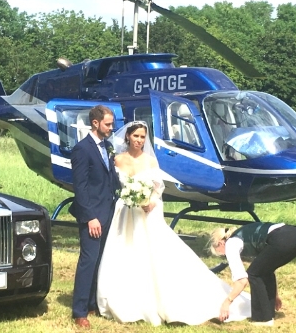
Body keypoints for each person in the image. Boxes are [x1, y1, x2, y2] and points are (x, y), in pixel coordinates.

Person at [96, 121, 251, 326]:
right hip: (125, 213)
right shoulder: (117, 160)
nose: (140, 141)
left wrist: (149, 201)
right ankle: (126, 299)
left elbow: (158, 187)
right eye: (136, 136)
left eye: (143, 137)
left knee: (152, 254)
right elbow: (113, 185)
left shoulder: (150, 161)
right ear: (128, 137)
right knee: (124, 252)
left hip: (146, 213)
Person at [69, 105, 120, 328]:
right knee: (88, 260)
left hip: (108, 212)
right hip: (92, 215)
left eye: (112, 123)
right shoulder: (82, 149)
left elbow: (111, 180)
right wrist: (90, 217)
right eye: (108, 124)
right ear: (95, 123)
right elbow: (80, 188)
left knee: (100, 260)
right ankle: (79, 311)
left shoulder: (107, 147)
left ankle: (92, 303)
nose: (111, 128)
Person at [209, 222, 296, 326]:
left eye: (222, 255)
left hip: (283, 238)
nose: (226, 256)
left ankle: (263, 319)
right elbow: (267, 268)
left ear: (220, 243)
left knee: (253, 274)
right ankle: (269, 313)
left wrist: (227, 302)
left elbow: (242, 281)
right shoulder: (245, 237)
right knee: (261, 271)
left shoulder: (231, 244)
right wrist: (274, 296)